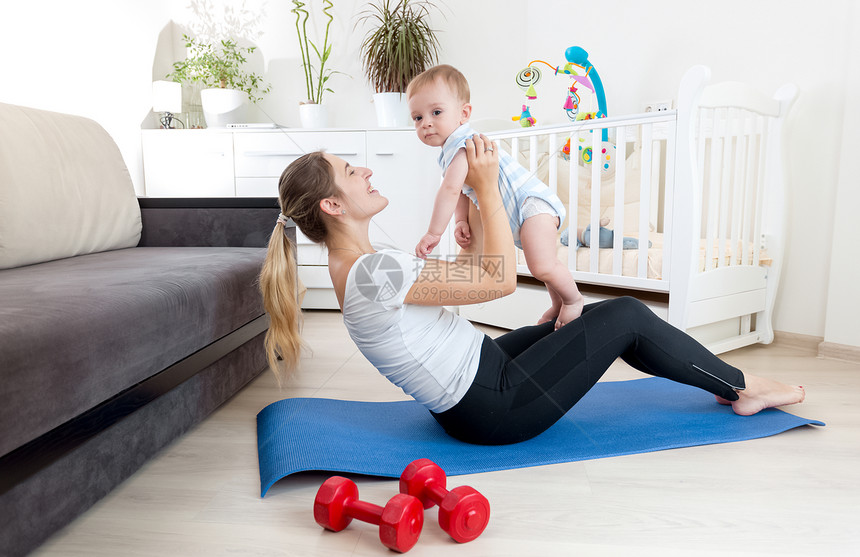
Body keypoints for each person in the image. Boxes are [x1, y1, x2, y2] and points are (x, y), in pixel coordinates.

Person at [258, 134, 805, 446]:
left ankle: (714, 378)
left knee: (559, 326)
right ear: (332, 206)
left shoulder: (363, 268)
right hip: (492, 410)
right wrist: (489, 187)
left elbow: (469, 281)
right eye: (352, 172)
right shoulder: (374, 273)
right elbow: (496, 281)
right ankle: (742, 386)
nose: (367, 173)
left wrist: (470, 214)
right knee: (624, 316)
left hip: (476, 379)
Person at [407, 64, 583, 329]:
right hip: (523, 209)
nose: (426, 123)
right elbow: (464, 191)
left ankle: (573, 300)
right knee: (543, 262)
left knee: (541, 265)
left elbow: (451, 189)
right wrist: (460, 221)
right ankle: (557, 303)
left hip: (531, 204)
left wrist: (434, 233)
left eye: (436, 112)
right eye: (417, 118)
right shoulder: (450, 151)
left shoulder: (464, 143)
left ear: (463, 113)